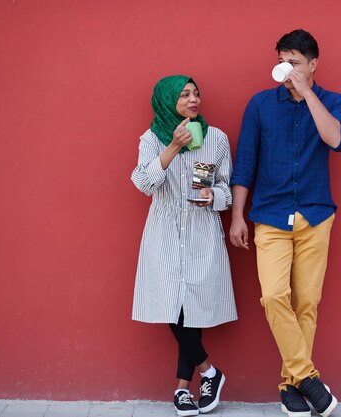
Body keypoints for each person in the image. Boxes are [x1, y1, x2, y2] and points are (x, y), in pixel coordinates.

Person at [229, 29, 341, 417]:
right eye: (284, 61)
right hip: (269, 216)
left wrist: (307, 92)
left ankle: (290, 386)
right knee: (273, 296)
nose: (288, 69)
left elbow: (335, 139)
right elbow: (245, 162)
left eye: (296, 62)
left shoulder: (334, 101)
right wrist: (237, 217)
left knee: (308, 302)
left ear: (314, 64)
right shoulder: (261, 104)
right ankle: (308, 378)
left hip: (316, 214)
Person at [131, 75, 237, 416]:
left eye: (196, 93)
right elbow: (145, 183)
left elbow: (225, 188)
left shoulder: (214, 138)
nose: (194, 99)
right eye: (184, 95)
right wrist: (174, 146)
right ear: (167, 101)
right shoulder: (151, 139)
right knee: (170, 303)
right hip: (163, 231)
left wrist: (213, 195)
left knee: (190, 304)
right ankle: (209, 371)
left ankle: (182, 389)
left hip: (201, 230)